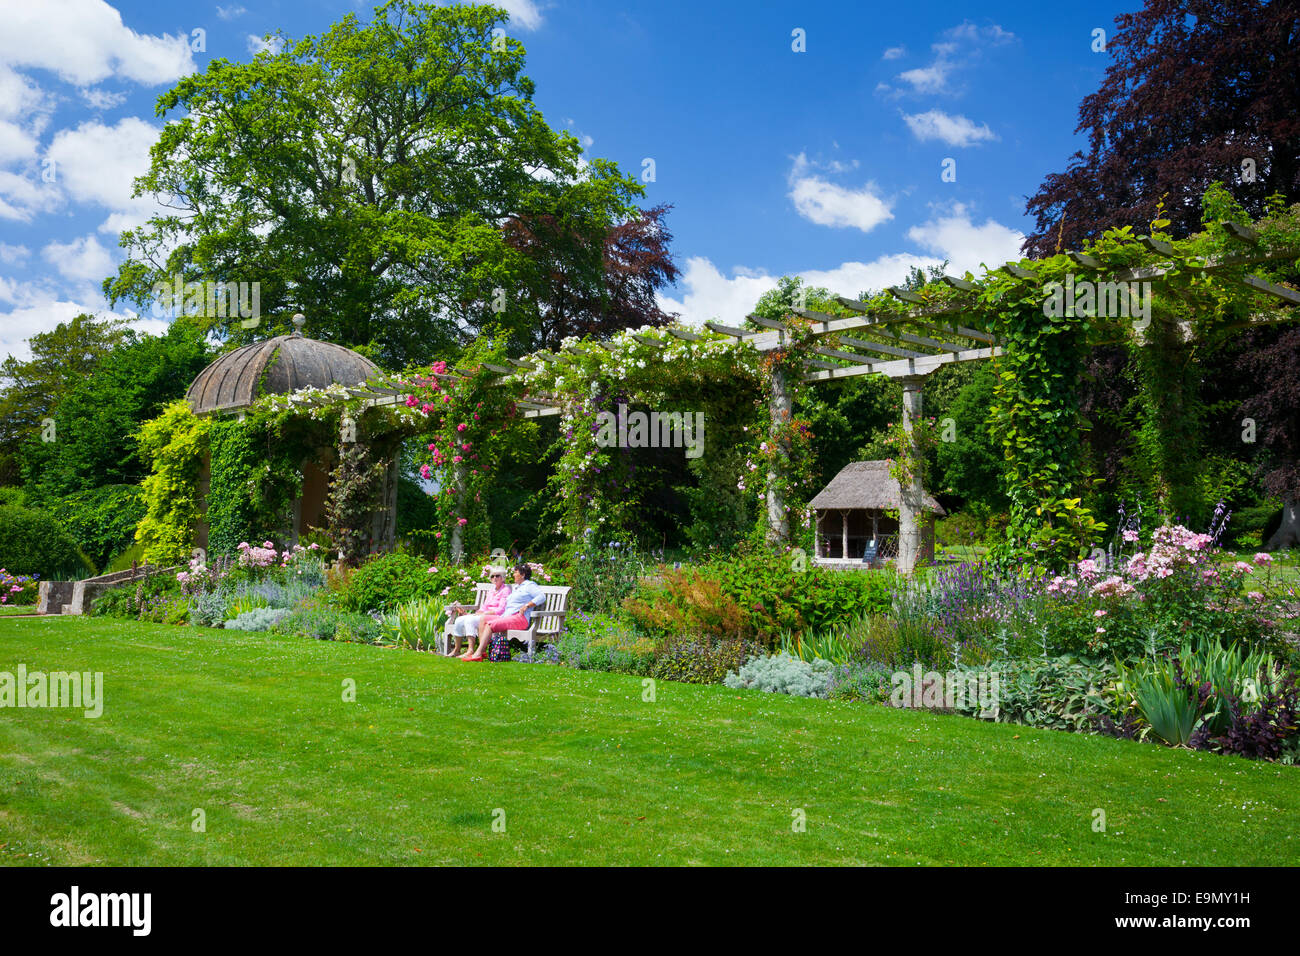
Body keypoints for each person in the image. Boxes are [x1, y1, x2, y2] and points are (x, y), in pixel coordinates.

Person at [460, 563, 547, 661]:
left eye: (516, 572)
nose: (513, 575)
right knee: (483, 619)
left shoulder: (529, 585)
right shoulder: (517, 587)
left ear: (522, 575)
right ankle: (483, 652)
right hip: (508, 617)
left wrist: (527, 605)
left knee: (490, 625)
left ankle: (478, 654)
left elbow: (542, 597)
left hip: (520, 618)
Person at [445, 568, 511, 656]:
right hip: (484, 615)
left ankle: (470, 650)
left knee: (470, 620)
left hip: (496, 617)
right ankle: (457, 650)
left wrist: (483, 614)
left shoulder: (506, 590)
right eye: (492, 576)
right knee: (459, 620)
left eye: (497, 576)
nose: (494, 578)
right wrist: (472, 614)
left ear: (502, 578)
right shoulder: (491, 591)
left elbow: (501, 610)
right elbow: (484, 607)